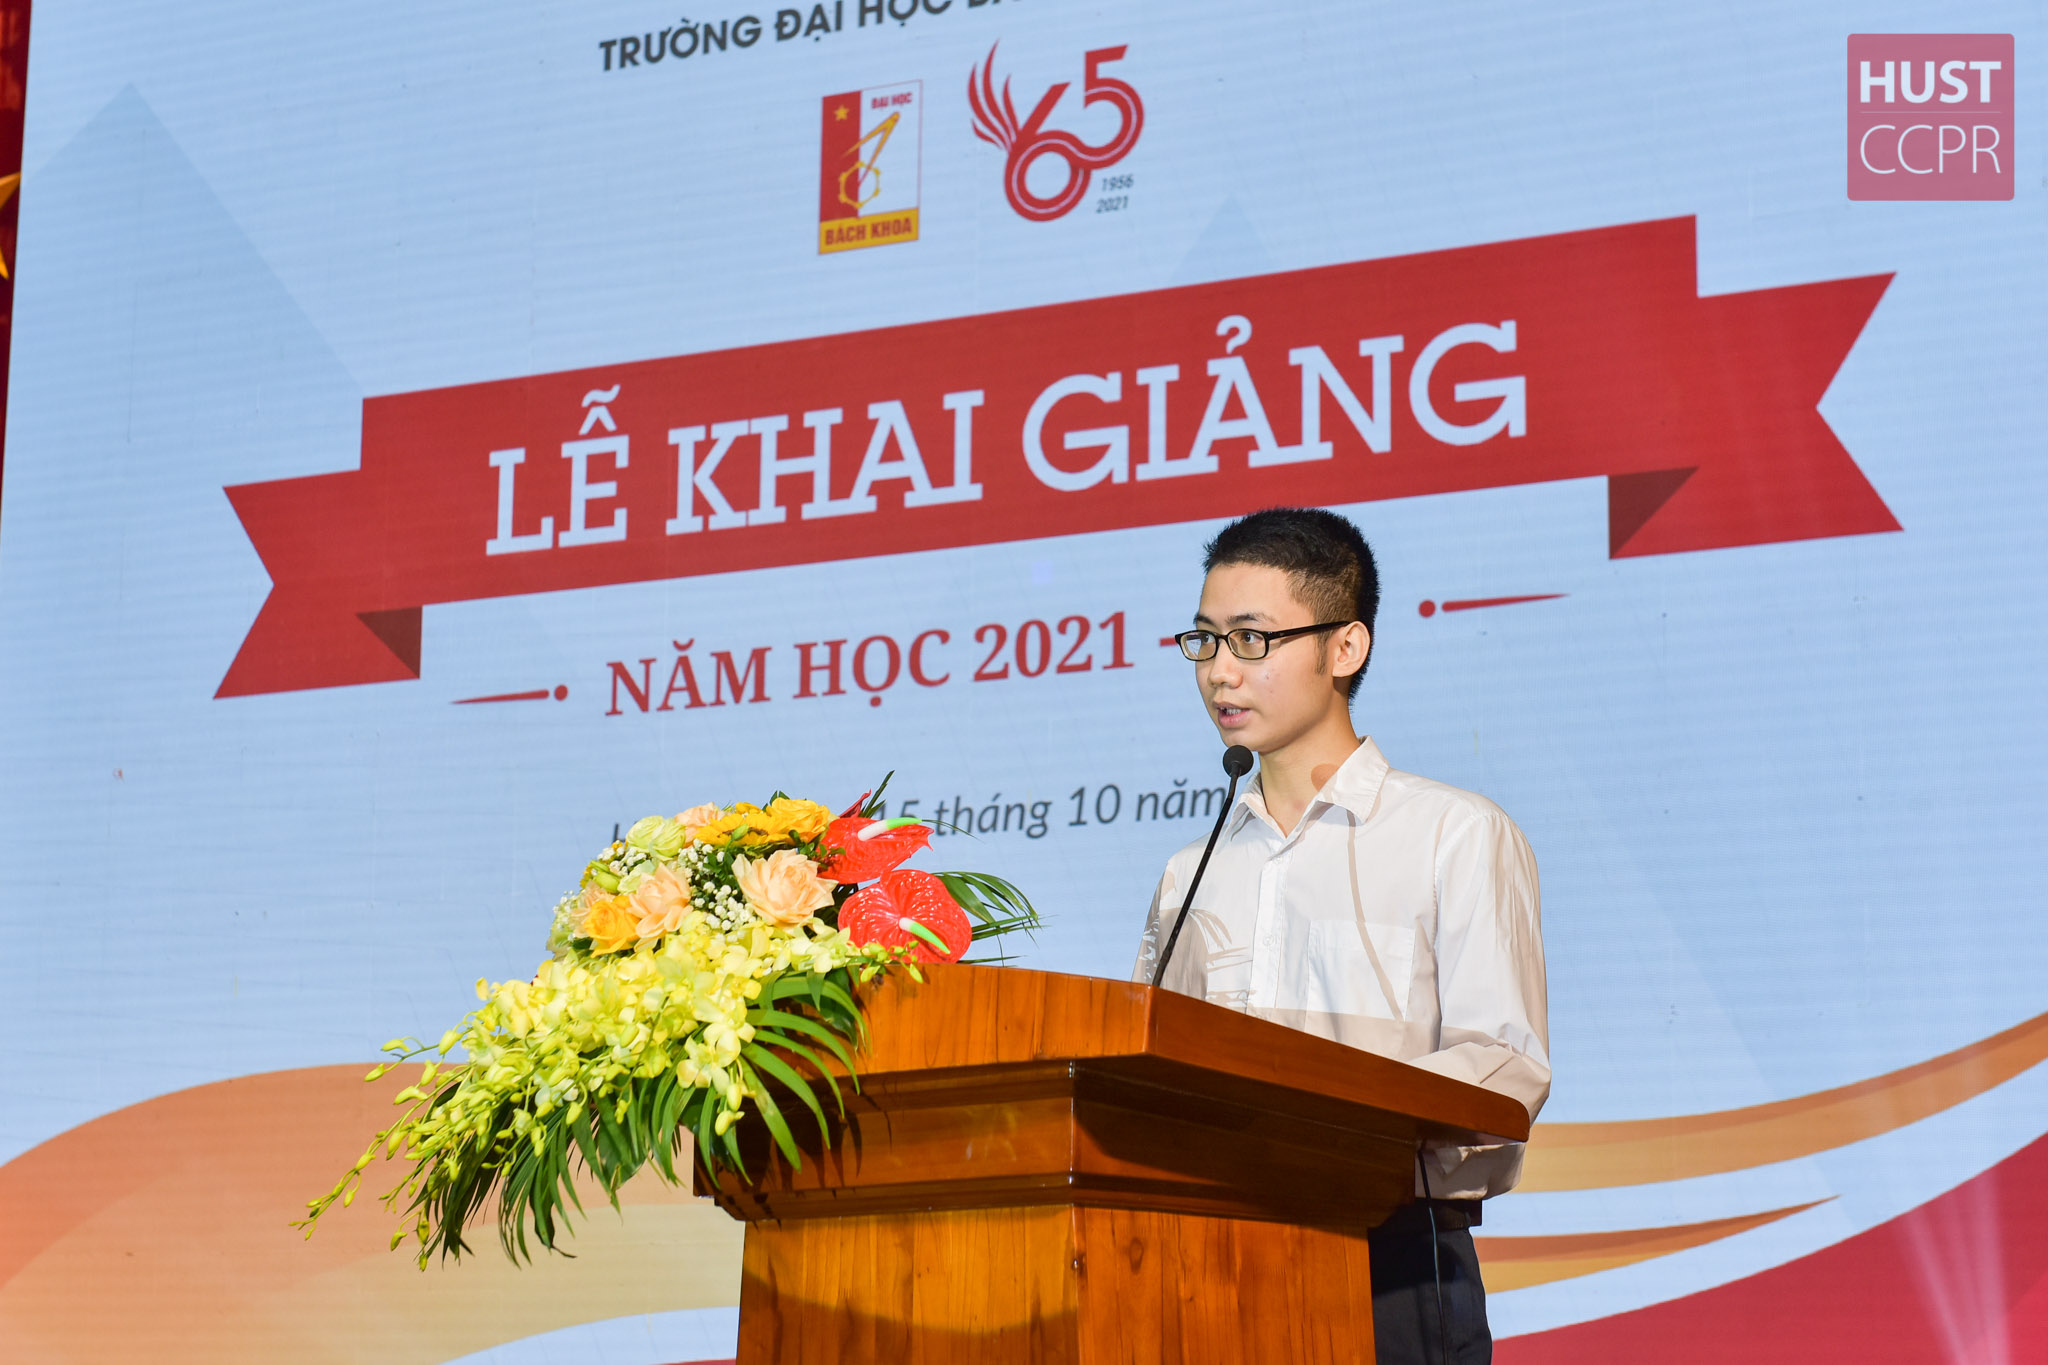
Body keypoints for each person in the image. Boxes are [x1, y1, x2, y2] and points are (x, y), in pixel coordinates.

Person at [1133, 507, 1550, 1365]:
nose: (1219, 671)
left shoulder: (1453, 835)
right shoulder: (1189, 872)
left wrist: (1325, 1133)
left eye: (1252, 639)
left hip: (1391, 1262)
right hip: (1207, 1265)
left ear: (1345, 647)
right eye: (1205, 640)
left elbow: (1504, 1071)